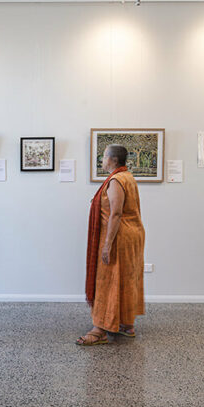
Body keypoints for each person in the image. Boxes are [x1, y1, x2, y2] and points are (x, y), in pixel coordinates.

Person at [77, 143, 145, 346]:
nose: (102, 160)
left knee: (107, 280)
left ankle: (99, 329)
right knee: (125, 278)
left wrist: (107, 244)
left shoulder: (116, 180)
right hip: (132, 234)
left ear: (113, 160)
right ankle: (126, 325)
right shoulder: (127, 176)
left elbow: (116, 213)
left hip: (119, 237)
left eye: (104, 156)